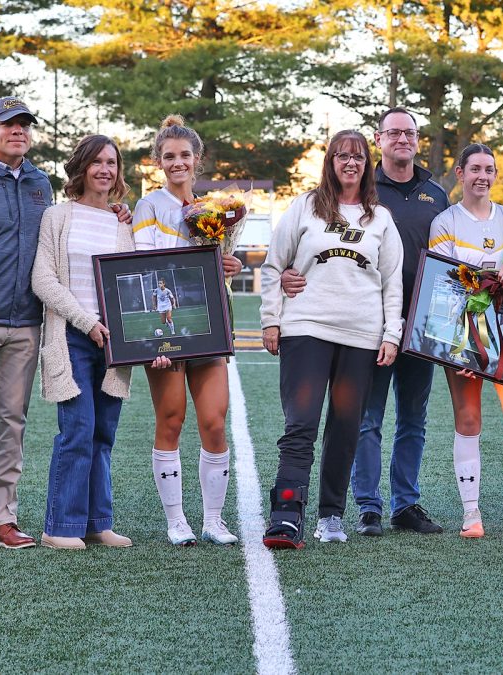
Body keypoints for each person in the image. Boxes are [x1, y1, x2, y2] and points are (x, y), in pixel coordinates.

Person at [0, 98, 129, 552]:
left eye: (24, 125)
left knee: (11, 423)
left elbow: (62, 237)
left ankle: (3, 520)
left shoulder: (39, 183)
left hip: (26, 325)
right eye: (8, 124)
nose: (18, 131)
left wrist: (113, 213)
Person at [280, 108, 448, 536]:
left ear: (417, 138)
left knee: (414, 418)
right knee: (363, 419)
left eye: (409, 132)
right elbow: (283, 258)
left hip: (422, 325)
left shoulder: (436, 194)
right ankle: (367, 507)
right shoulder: (360, 191)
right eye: (393, 133)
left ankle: (404, 505)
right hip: (367, 328)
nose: (402, 139)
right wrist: (284, 278)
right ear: (380, 139)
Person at [259, 130, 403, 548]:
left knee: (345, 428)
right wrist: (272, 320)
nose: (350, 163)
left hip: (361, 334)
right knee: (300, 424)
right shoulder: (305, 206)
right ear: (330, 162)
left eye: (357, 156)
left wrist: (391, 334)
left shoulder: (380, 217)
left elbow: (392, 282)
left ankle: (331, 516)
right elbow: (273, 266)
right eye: (341, 156)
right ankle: (286, 516)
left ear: (367, 164)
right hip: (307, 329)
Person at [132, 115, 243, 546]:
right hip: (168, 330)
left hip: (208, 327)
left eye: (185, 156)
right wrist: (154, 339)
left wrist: (229, 265)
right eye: (169, 156)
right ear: (159, 162)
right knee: (172, 418)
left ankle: (213, 520)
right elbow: (143, 270)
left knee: (215, 422)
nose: (177, 163)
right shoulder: (150, 206)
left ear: (197, 159)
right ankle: (176, 520)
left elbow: (216, 272)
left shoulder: (211, 211)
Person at [427, 143, 503, 540]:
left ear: (496, 176)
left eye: (489, 169)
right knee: (468, 420)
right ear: (459, 173)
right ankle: (471, 515)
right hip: (463, 337)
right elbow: (443, 287)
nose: (483, 176)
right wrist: (456, 346)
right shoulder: (445, 221)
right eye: (475, 168)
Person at [30, 135, 144, 549]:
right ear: (81, 167)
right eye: (96, 162)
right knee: (77, 431)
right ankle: (59, 527)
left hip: (114, 345)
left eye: (111, 163)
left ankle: (98, 524)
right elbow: (43, 279)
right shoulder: (57, 217)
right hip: (73, 338)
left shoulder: (121, 221)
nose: (105, 170)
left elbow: (133, 283)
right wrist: (86, 321)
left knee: (103, 435)